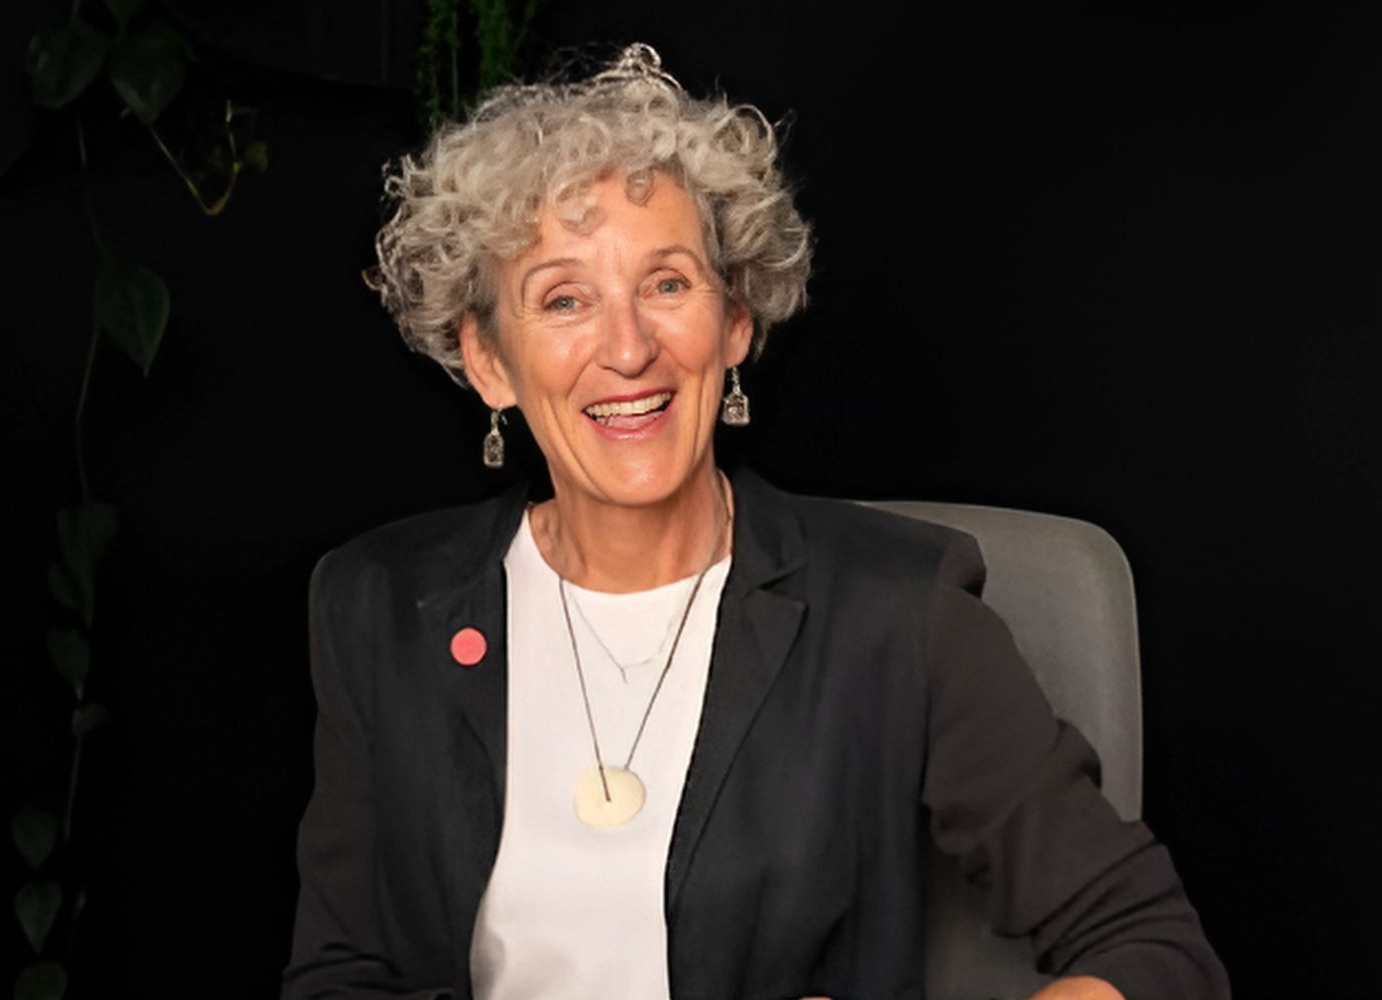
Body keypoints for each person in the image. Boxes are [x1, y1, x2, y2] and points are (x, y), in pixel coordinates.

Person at [282, 44, 1228, 1000]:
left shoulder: (897, 609)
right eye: (565, 299)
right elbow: (337, 975)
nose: (628, 347)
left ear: (734, 322)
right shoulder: (379, 607)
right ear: (488, 361)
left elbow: (1156, 955)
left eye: (667, 284)